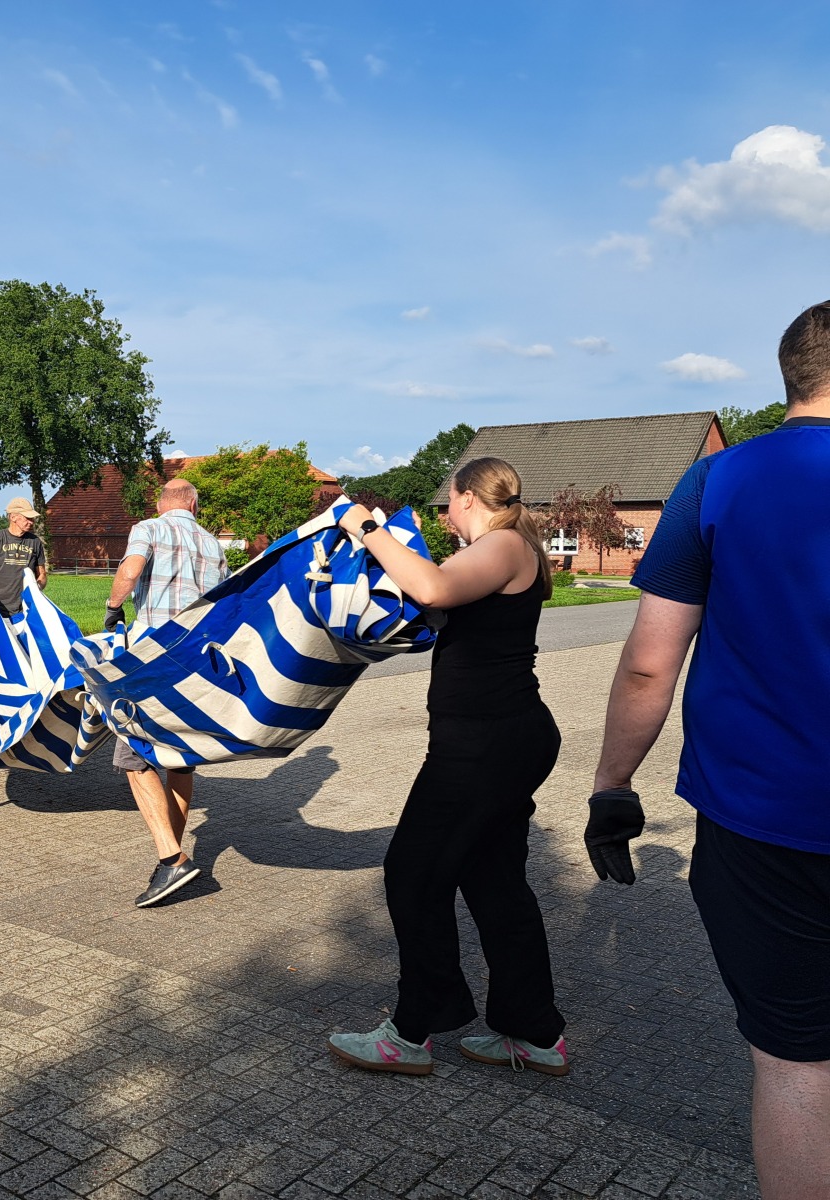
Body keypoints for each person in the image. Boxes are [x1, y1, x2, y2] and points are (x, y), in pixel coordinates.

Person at [584, 302, 830, 1197]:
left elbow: (651, 663)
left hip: (766, 823)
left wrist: (612, 785)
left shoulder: (717, 480)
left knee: (798, 1063)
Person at [327, 459, 569, 1077]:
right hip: (499, 740)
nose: (445, 516)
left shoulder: (504, 545)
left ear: (466, 497)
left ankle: (413, 1030)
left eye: (448, 503)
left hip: (484, 747)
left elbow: (432, 588)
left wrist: (366, 528)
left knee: (412, 873)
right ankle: (534, 1033)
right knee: (494, 882)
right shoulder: (501, 549)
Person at [104, 477, 228, 907]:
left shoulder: (149, 528)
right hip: (198, 658)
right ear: (193, 506)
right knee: (180, 757)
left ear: (162, 505)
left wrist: (113, 607)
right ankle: (171, 855)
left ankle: (172, 859)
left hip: (154, 656)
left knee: (133, 756)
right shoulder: (213, 543)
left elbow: (131, 570)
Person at [0, 497, 47, 618]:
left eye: (32, 519)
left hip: (26, 610)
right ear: (13, 517)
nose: (31, 522)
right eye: (27, 518)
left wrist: (37, 587)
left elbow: (42, 574)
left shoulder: (35, 542)